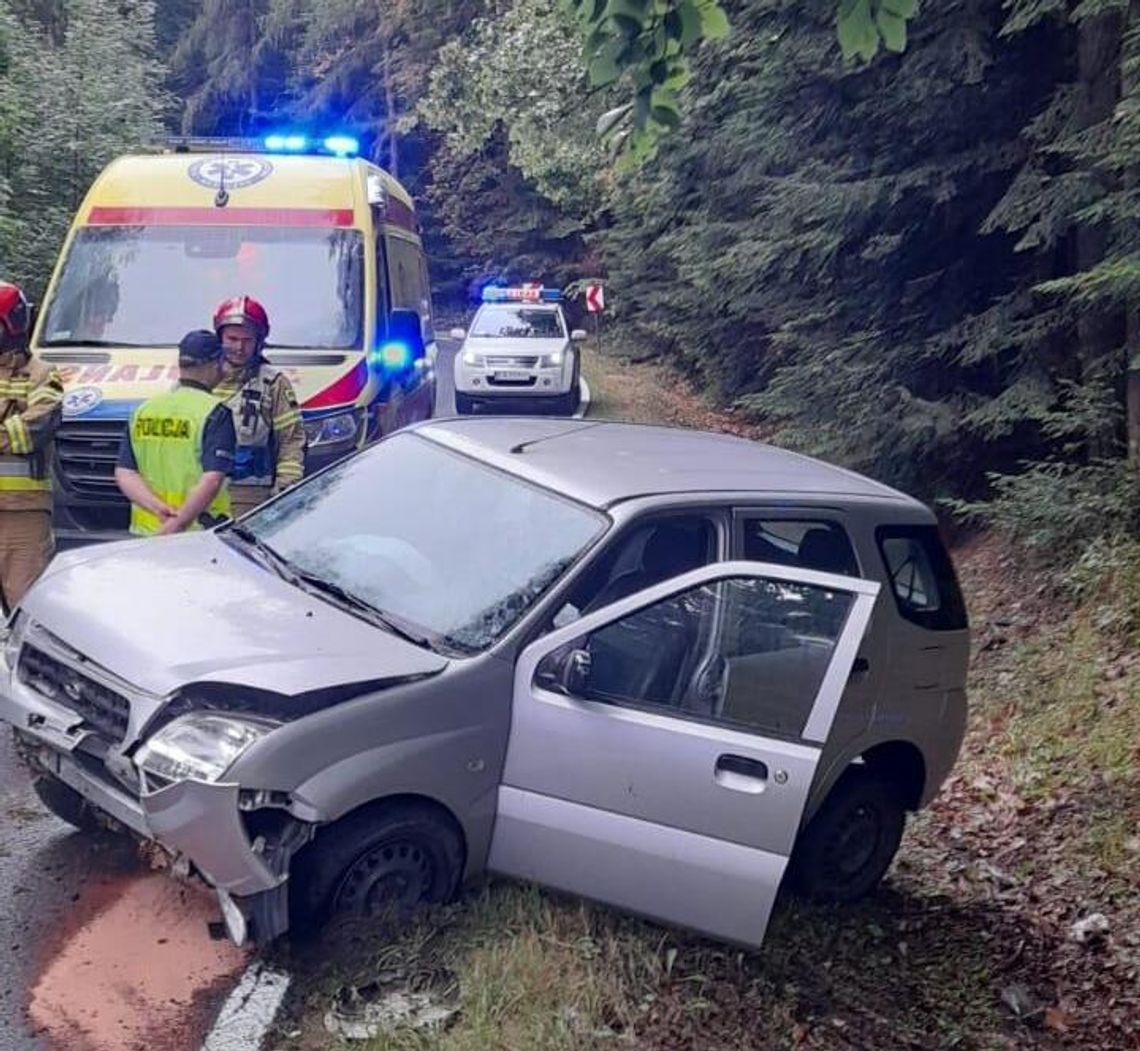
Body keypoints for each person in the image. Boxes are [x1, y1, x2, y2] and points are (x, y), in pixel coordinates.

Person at [115, 330, 235, 536]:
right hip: (196, 535)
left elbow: (125, 473)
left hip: (146, 532)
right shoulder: (215, 412)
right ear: (215, 364)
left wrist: (156, 508)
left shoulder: (144, 410)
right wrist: (177, 524)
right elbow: (212, 479)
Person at [0, 281, 63, 612]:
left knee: (26, 611)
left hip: (22, 513)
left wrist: (11, 432)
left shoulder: (41, 374)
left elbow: (37, 427)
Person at [211, 296, 305, 517]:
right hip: (201, 496)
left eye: (247, 341)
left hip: (251, 500)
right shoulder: (203, 377)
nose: (239, 348)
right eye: (232, 339)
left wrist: (285, 489)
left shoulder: (273, 383)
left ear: (259, 342)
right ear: (219, 337)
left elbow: (291, 440)